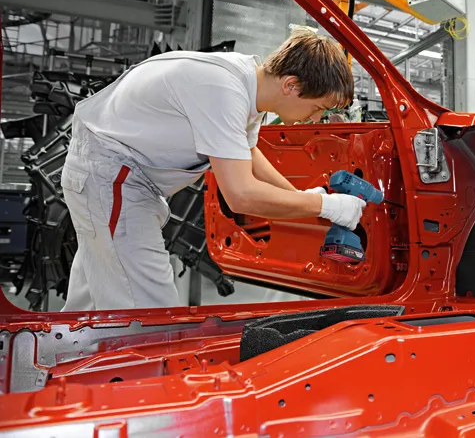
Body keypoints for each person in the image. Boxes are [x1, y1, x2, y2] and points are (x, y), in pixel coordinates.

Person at [60, 29, 364, 311]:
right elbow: (241, 195)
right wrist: (327, 205)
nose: (316, 119)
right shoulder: (223, 89)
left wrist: (299, 196)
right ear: (291, 85)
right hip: (111, 175)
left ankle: (54, 364)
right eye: (318, 107)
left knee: (92, 303)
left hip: (114, 175)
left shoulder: (248, 86)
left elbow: (247, 152)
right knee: (147, 310)